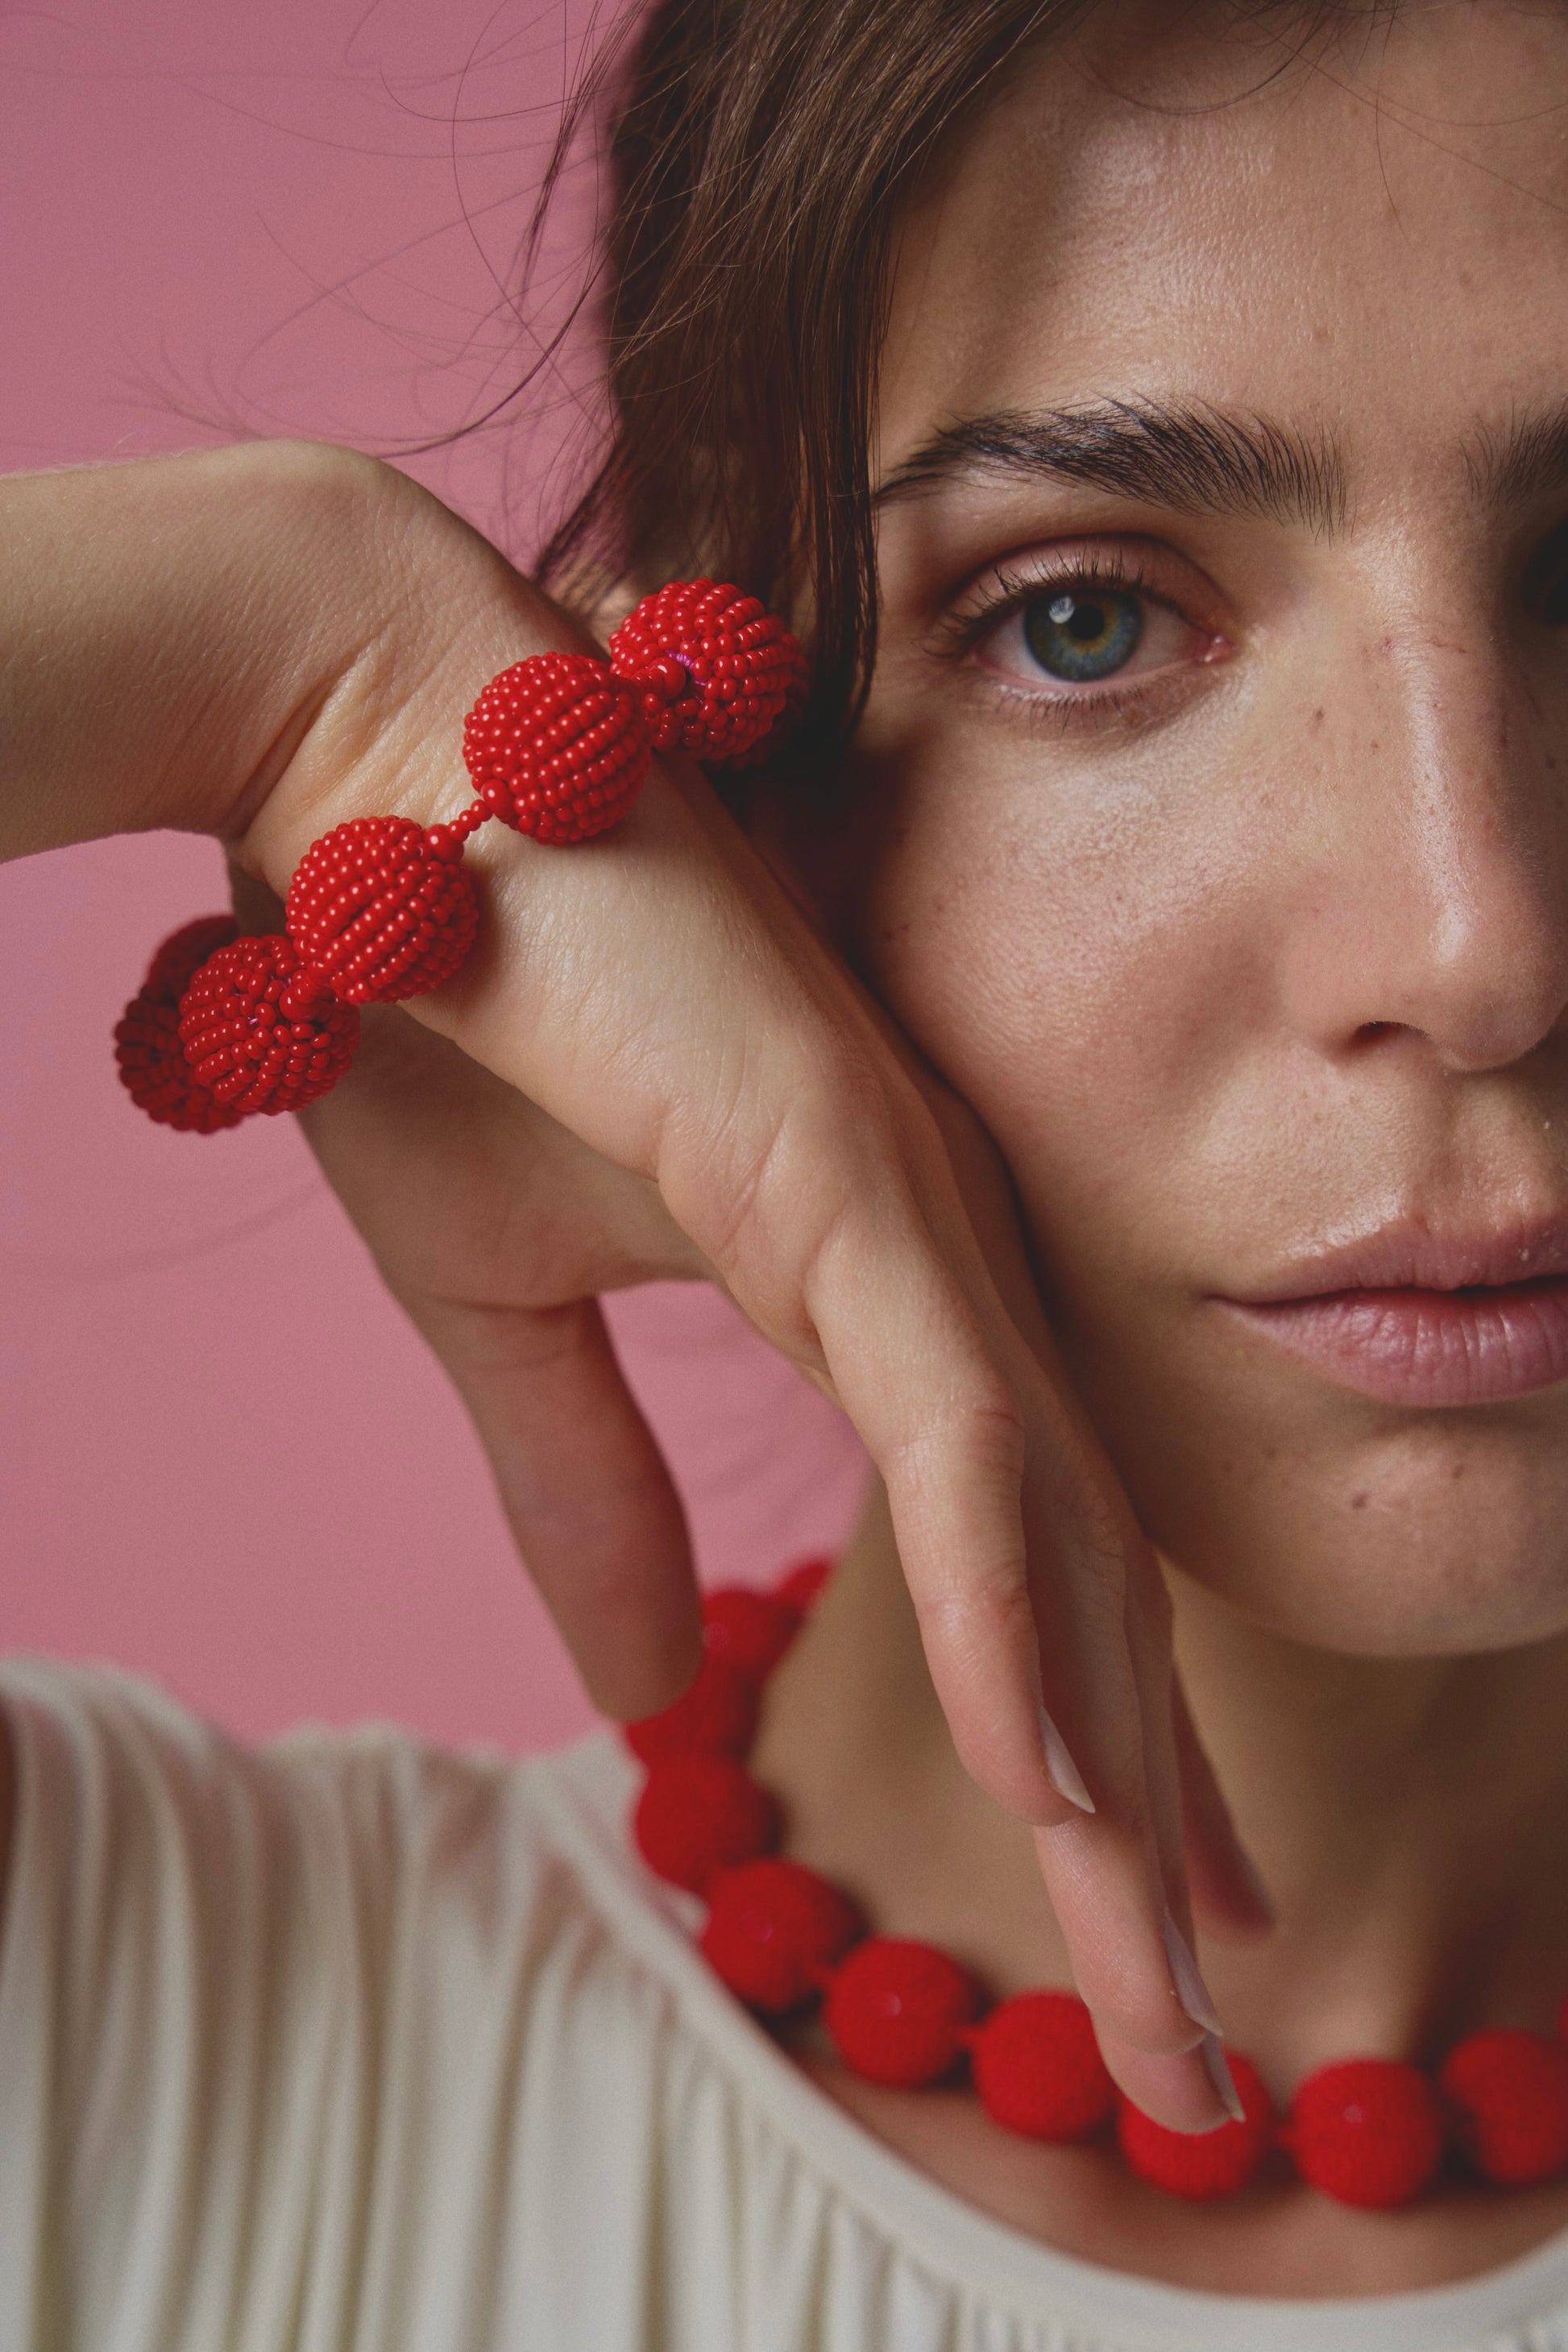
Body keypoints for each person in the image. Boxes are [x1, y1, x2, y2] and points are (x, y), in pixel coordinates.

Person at [7, 0, 1568, 2339]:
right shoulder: (123, 2044)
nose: (1481, 948)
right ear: (719, 784)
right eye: (1083, 620)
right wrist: (282, 635)